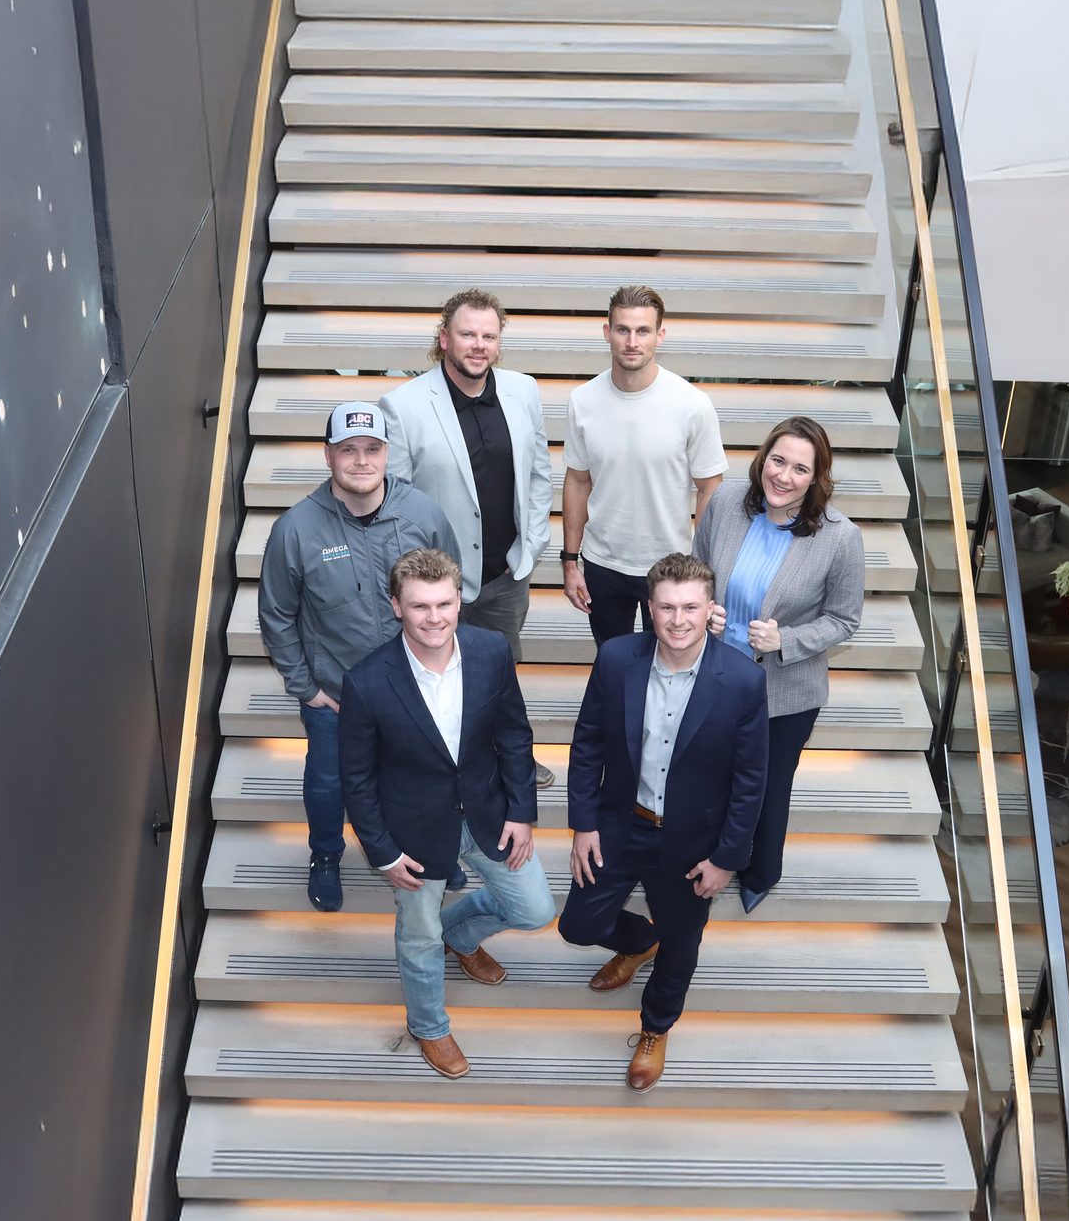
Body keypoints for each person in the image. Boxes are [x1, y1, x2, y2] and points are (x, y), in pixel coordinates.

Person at [339, 548, 557, 1079]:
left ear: (460, 600)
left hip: (488, 812)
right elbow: (358, 779)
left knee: (535, 910)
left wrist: (522, 811)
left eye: (444, 603)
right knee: (416, 936)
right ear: (396, 607)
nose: (434, 617)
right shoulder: (367, 681)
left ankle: (456, 935)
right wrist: (382, 851)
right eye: (420, 606)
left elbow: (513, 734)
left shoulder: (490, 651)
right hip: (412, 835)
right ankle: (428, 1026)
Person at [556, 553, 767, 1092]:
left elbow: (750, 782)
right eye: (667, 607)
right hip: (620, 824)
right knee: (578, 925)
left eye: (691, 608)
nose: (678, 620)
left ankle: (654, 1028)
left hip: (692, 841)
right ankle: (638, 940)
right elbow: (588, 744)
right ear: (649, 608)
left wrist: (727, 858)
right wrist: (584, 823)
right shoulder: (616, 659)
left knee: (682, 943)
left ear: (710, 609)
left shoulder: (741, 679)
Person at [256, 402, 459, 913]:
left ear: (387, 454)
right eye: (349, 450)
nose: (361, 461)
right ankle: (325, 855)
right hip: (338, 694)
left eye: (372, 449)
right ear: (328, 456)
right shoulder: (295, 529)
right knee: (329, 782)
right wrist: (307, 689)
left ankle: (433, 851)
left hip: (415, 688)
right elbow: (276, 616)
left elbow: (454, 594)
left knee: (423, 775)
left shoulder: (423, 514)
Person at [381, 287, 556, 788]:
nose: (478, 345)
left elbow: (540, 475)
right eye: (467, 334)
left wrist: (531, 547)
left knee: (500, 674)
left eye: (488, 336)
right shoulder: (403, 405)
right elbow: (395, 504)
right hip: (438, 587)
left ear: (499, 343)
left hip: (506, 576)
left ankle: (509, 759)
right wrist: (421, 580)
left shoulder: (523, 390)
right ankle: (447, 769)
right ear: (444, 338)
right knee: (435, 680)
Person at [695, 417, 864, 915]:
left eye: (799, 468)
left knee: (766, 785)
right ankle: (713, 854)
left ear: (816, 478)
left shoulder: (840, 537)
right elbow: (697, 564)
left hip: (785, 691)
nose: (784, 476)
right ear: (762, 458)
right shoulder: (727, 502)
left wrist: (784, 639)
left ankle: (761, 868)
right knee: (712, 773)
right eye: (778, 460)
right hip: (717, 672)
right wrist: (704, 606)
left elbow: (844, 619)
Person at [560, 285, 727, 645]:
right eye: (623, 330)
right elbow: (576, 481)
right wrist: (570, 561)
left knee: (672, 667)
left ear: (660, 335)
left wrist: (701, 569)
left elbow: (710, 487)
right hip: (603, 564)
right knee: (613, 666)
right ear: (608, 333)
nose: (632, 341)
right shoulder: (582, 401)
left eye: (643, 331)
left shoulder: (692, 404)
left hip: (671, 567)